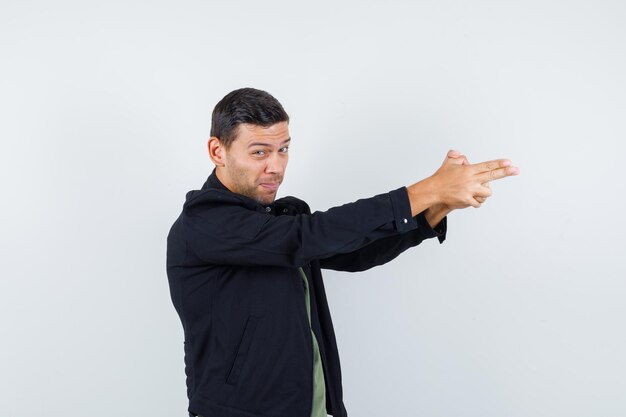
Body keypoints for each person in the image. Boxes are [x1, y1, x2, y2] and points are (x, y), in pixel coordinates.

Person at [166, 87, 519, 417]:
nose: (276, 166)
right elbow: (309, 236)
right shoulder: (204, 223)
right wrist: (425, 190)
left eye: (283, 149)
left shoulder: (276, 219)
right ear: (217, 151)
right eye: (259, 152)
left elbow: (353, 252)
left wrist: (433, 210)